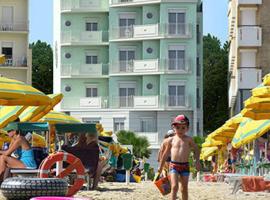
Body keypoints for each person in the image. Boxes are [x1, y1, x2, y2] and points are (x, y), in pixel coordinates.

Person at [158, 115, 201, 200]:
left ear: (187, 128)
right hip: (174, 165)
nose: (180, 130)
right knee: (174, 186)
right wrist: (161, 165)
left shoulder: (189, 139)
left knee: (184, 188)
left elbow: (196, 149)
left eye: (183, 128)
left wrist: (197, 162)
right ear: (174, 128)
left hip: (185, 166)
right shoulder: (171, 140)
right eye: (178, 128)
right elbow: (166, 154)